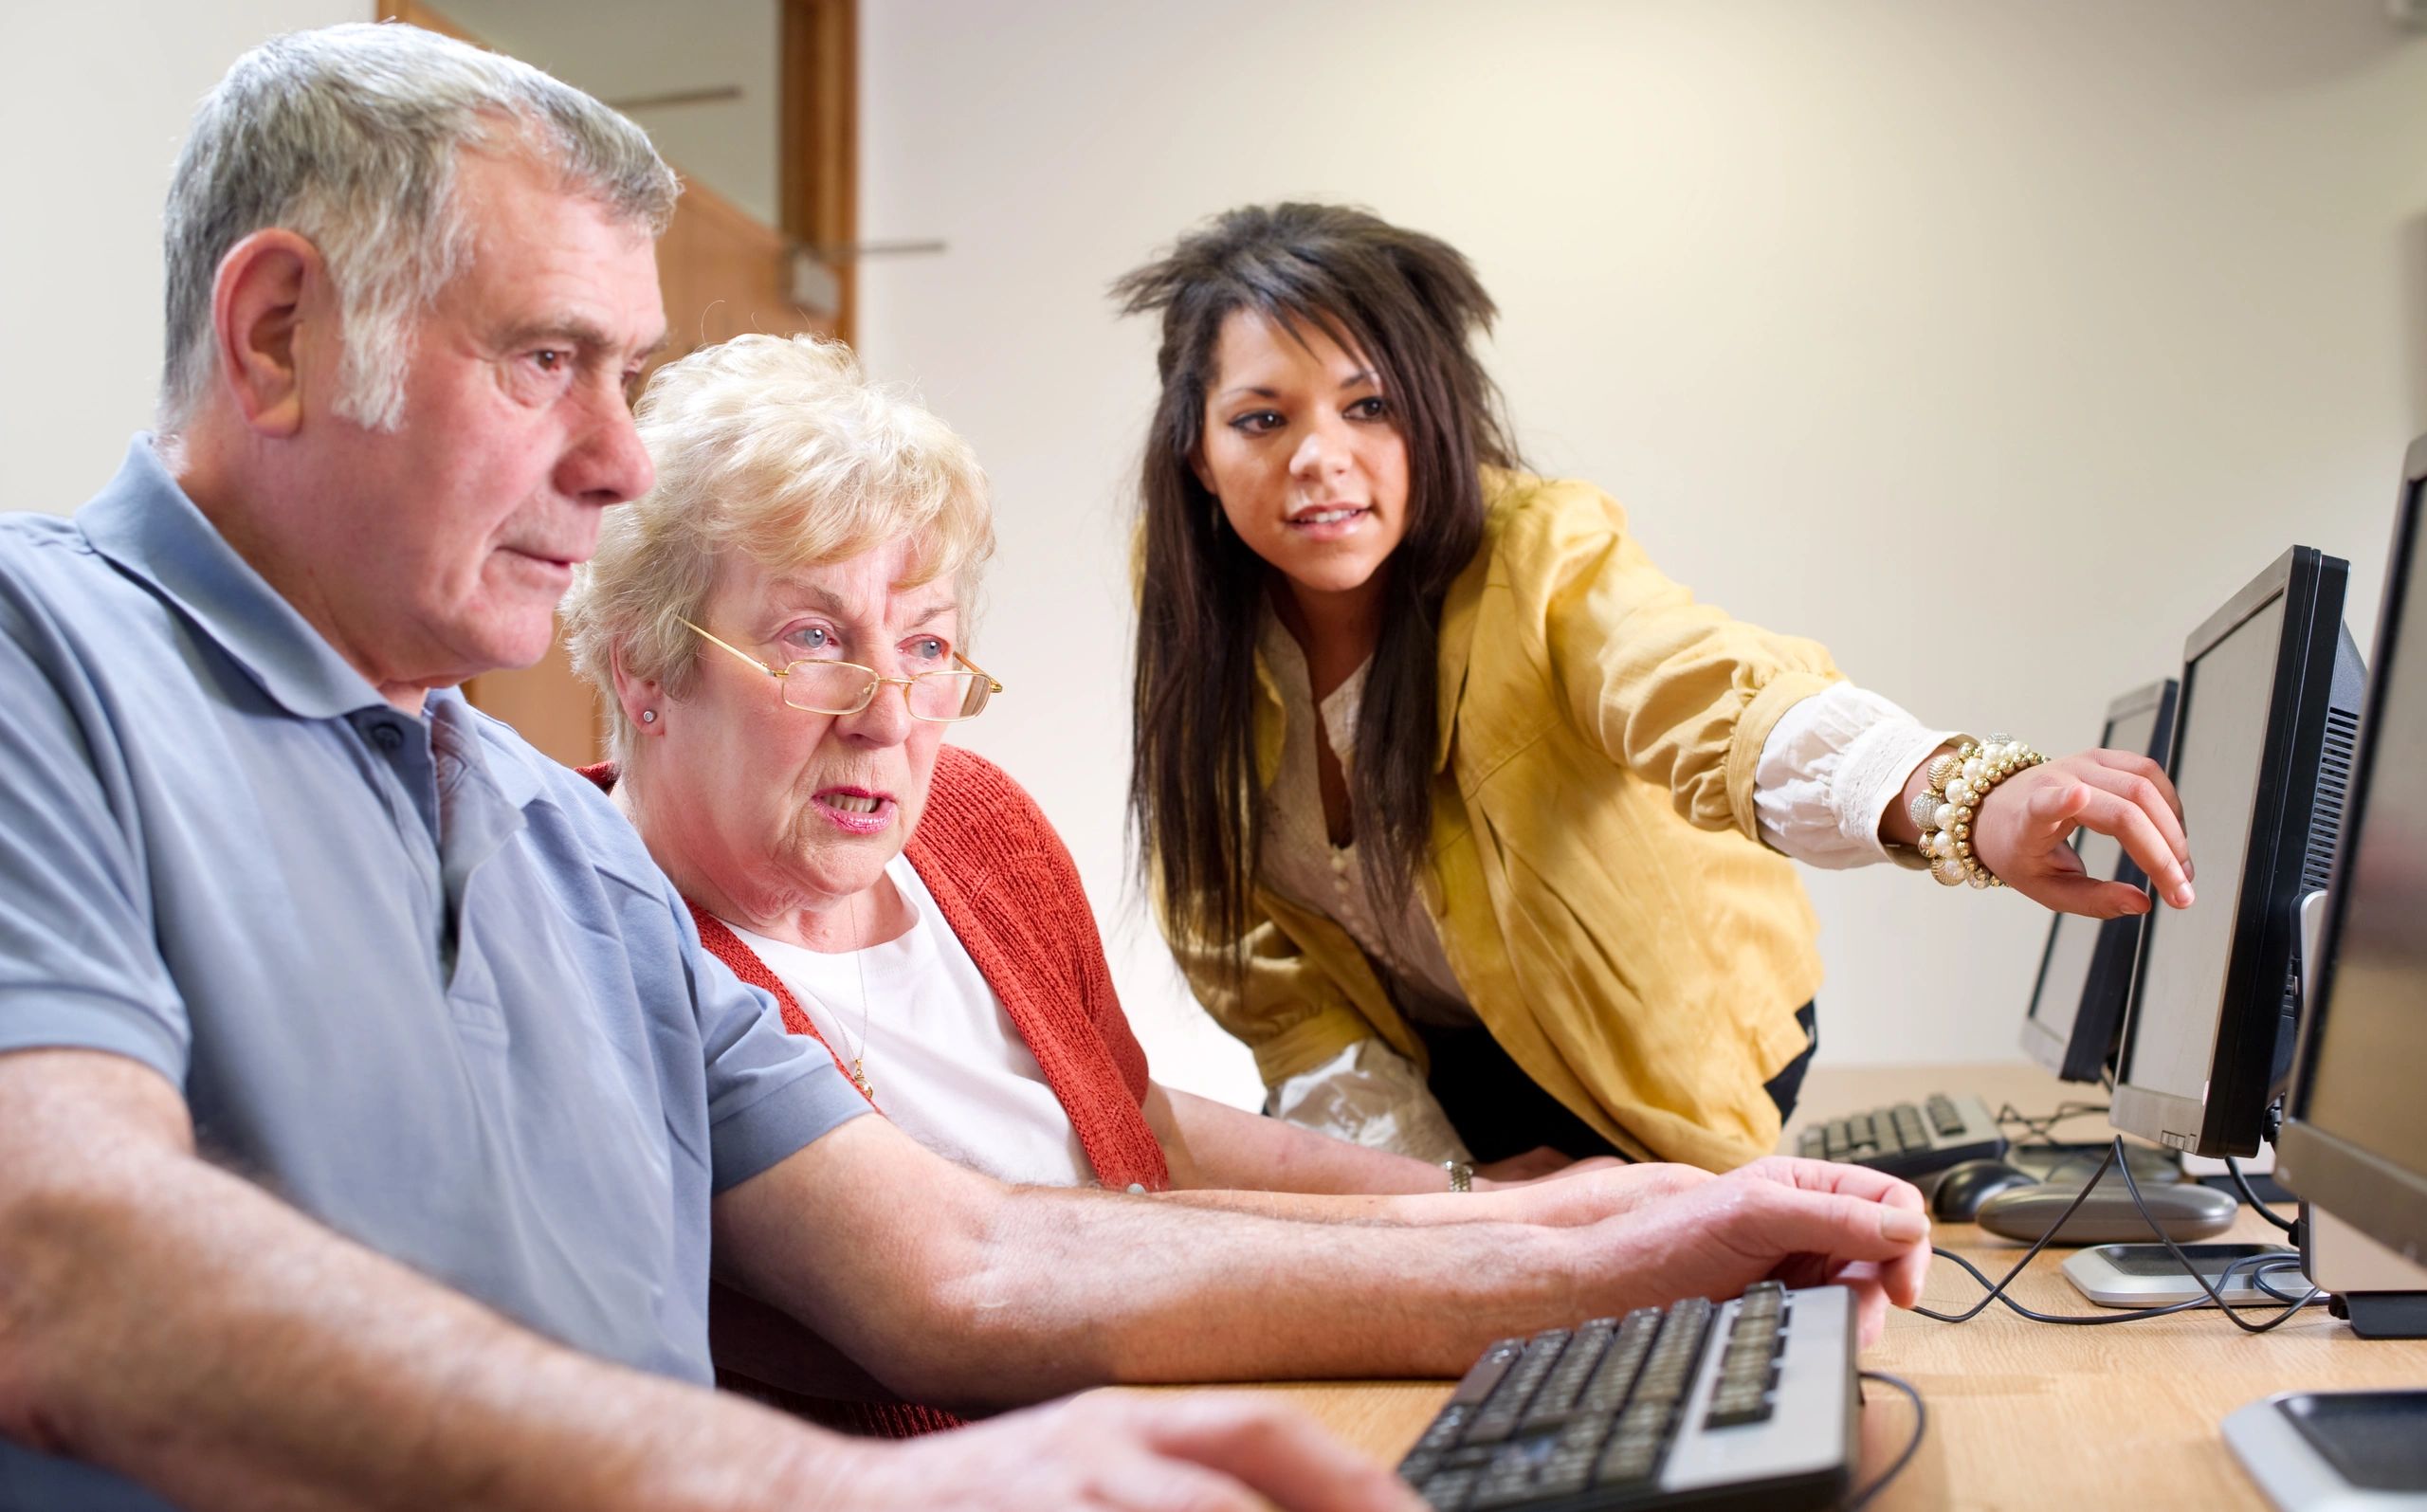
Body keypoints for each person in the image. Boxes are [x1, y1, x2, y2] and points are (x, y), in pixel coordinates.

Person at [0, 26, 1934, 1511]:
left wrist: (1595, 1252)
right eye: (543, 361)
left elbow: (972, 1245)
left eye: (627, 375)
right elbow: (59, 1261)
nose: (615, 460)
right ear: (279, 332)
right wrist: (834, 1492)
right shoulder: (44, 658)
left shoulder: (534, 835)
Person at [557, 332, 1692, 1430]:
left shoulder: (973, 822)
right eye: (813, 637)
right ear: (646, 662)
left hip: (1194, 1426)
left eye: (926, 645)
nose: (889, 718)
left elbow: (1137, 1131)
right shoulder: (592, 936)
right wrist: (1522, 1255)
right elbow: (974, 1275)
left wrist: (1483, 1200)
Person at [1117, 202, 2198, 1175]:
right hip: (1445, 1070)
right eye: (1262, 419)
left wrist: (1957, 793)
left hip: (1663, 1046)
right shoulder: (1195, 611)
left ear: (1435, 417)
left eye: (1370, 405)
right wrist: (1433, 1195)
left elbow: (1701, 685)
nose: (1319, 456)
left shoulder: (1536, 552)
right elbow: (1269, 975)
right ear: (1198, 452)